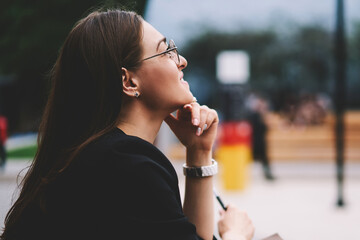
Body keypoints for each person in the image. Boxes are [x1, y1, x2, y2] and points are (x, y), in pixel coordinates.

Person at [1, 9, 254, 240]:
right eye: (166, 51)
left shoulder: (99, 155)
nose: (182, 60)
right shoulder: (127, 164)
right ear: (128, 81)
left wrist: (198, 152)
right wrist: (235, 234)